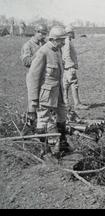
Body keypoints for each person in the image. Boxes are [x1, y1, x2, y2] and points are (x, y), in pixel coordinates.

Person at [26, 26, 70, 156]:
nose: (63, 43)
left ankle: (62, 143)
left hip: (59, 92)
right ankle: (43, 149)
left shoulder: (57, 50)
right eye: (62, 40)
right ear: (54, 39)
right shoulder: (43, 52)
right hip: (46, 94)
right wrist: (33, 99)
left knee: (62, 114)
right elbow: (32, 77)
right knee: (43, 119)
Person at [20, 24, 48, 134]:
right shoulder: (28, 45)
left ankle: (41, 125)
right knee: (33, 102)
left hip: (45, 77)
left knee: (44, 101)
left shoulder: (45, 44)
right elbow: (26, 62)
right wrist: (38, 53)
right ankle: (29, 128)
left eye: (45, 34)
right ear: (36, 32)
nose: (43, 36)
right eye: (42, 33)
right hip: (33, 77)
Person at [62, 25, 89, 110]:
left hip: (65, 67)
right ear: (69, 33)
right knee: (74, 84)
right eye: (72, 32)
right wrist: (71, 66)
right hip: (69, 67)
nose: (74, 34)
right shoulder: (67, 41)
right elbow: (66, 55)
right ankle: (77, 104)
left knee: (65, 85)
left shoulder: (65, 41)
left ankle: (65, 104)